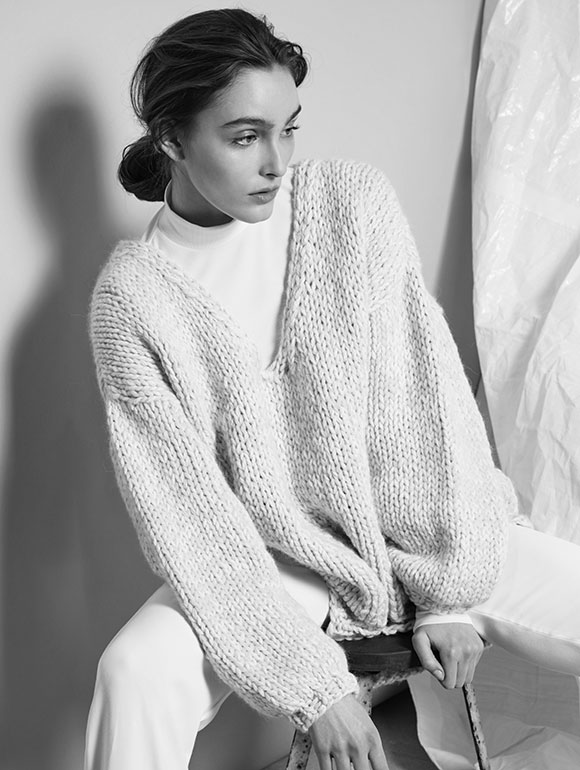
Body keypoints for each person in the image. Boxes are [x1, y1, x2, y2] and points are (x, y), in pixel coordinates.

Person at [84, 9, 580, 770]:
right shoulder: (133, 302)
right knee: (133, 670)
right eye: (245, 137)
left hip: (429, 528)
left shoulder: (350, 204)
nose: (276, 162)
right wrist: (312, 688)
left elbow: (425, 407)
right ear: (172, 140)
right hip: (281, 564)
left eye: (288, 130)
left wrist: (446, 595)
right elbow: (191, 521)